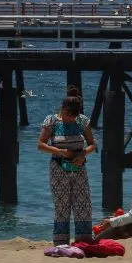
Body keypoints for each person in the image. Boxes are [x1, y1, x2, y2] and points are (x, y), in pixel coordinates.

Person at [37, 86, 96, 245]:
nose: (71, 118)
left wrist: (84, 153)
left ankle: (83, 241)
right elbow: (41, 145)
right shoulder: (51, 121)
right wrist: (61, 151)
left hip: (79, 168)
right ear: (62, 109)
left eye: (73, 116)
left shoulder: (82, 121)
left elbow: (92, 145)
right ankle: (61, 241)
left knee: (83, 203)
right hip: (58, 168)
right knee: (62, 205)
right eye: (68, 115)